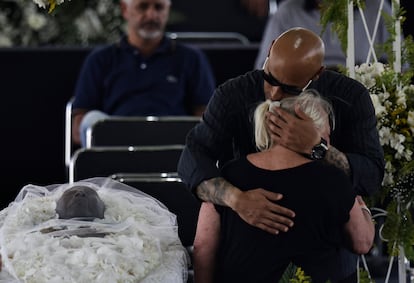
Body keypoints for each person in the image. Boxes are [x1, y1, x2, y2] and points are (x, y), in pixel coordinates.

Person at [177, 27, 385, 282]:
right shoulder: (233, 94)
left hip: (327, 251)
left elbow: (372, 176)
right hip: (247, 244)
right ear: (270, 47)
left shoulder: (351, 97)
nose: (274, 94)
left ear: (317, 75)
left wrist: (320, 149)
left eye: (288, 88)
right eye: (270, 78)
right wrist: (237, 199)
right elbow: (192, 159)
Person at [193, 90, 375, 282]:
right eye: (326, 137)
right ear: (313, 133)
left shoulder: (227, 175)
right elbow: (362, 242)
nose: (328, 145)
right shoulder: (334, 179)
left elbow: (203, 247)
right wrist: (362, 206)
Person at [72, 0, 216, 146]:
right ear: (124, 10)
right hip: (117, 148)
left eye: (159, 7)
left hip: (173, 147)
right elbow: (79, 126)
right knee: (91, 119)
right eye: (143, 6)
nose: (151, 15)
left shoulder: (191, 58)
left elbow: (206, 116)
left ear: (168, 11)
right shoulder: (100, 59)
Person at [0, 177, 188, 282]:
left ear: (103, 210)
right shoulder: (23, 244)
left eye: (90, 194)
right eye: (71, 193)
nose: (80, 193)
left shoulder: (135, 243)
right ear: (55, 209)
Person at [254, 0, 392, 70]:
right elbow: (264, 68)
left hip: (364, 94)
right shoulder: (287, 12)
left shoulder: (378, 8)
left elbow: (402, 66)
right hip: (303, 95)